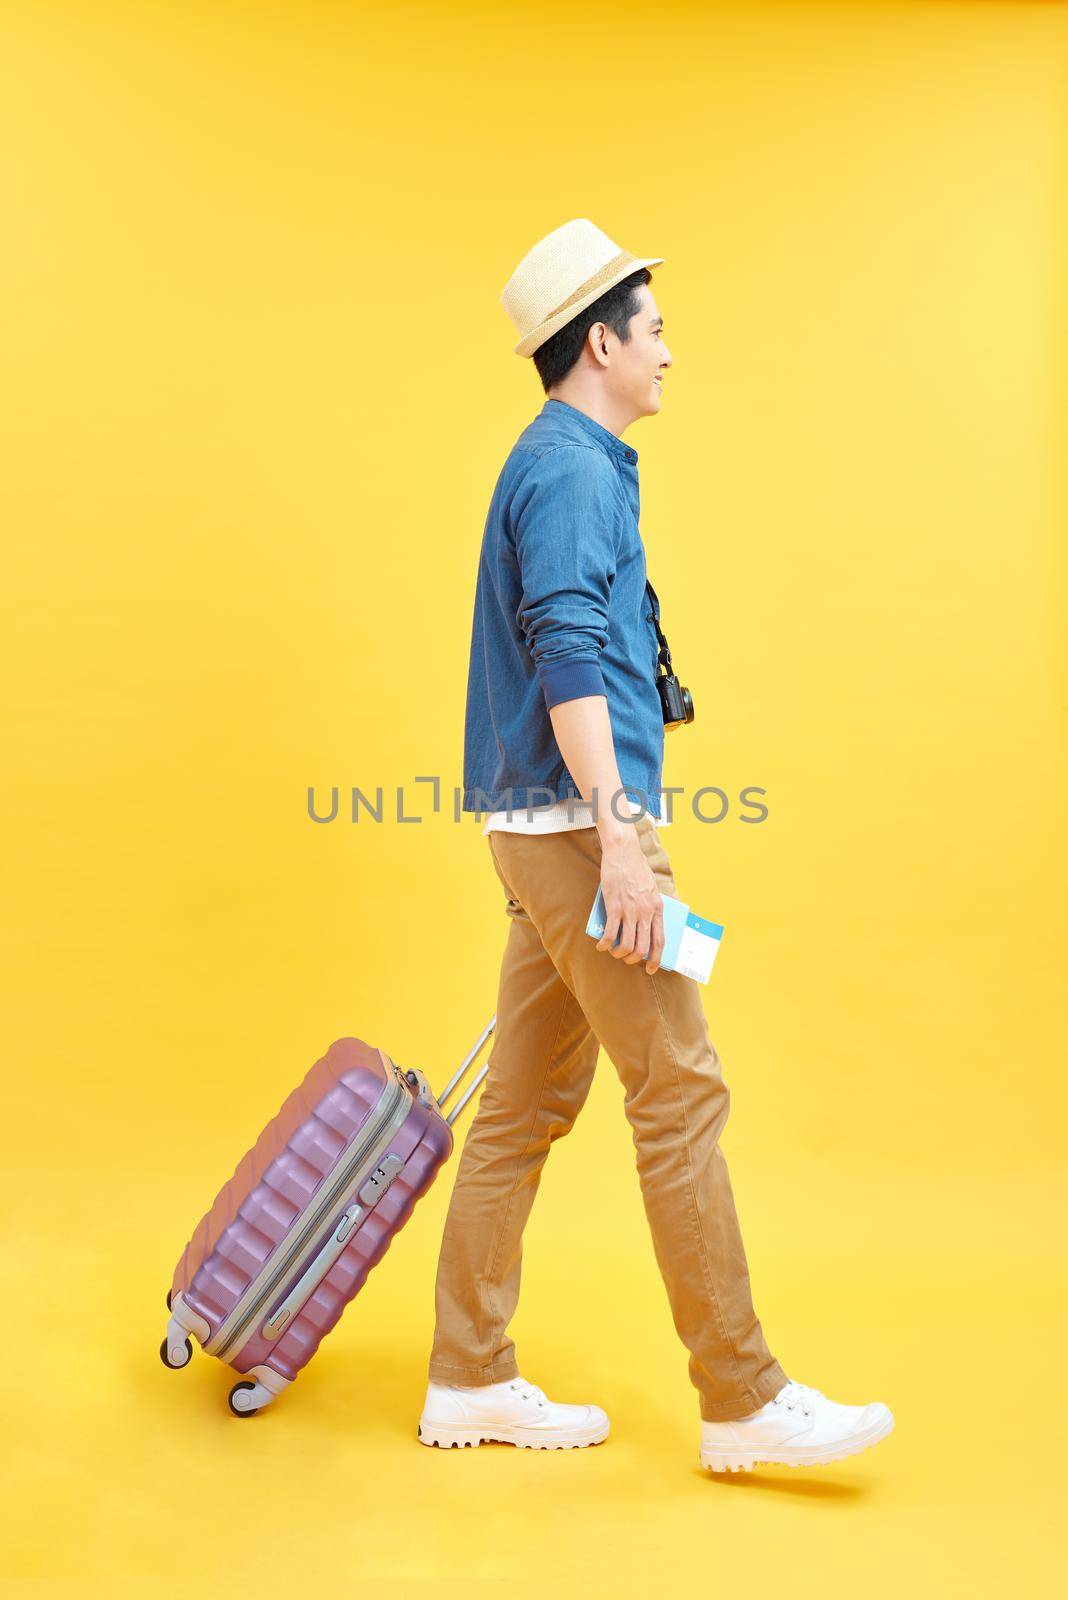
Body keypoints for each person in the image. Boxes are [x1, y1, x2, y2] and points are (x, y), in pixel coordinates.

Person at [417, 218, 894, 1472]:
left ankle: (468, 1374)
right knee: (681, 1090)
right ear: (599, 342)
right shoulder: (571, 468)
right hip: (582, 831)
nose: (671, 352)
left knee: (523, 1105)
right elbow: (567, 646)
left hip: (541, 825)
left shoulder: (569, 457)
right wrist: (622, 842)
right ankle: (743, 1396)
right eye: (657, 329)